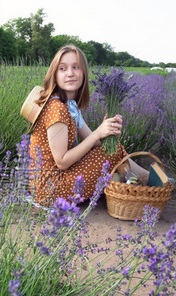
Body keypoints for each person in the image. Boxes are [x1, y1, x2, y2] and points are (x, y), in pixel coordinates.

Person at [26, 44, 148, 207]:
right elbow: (62, 161)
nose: (70, 73)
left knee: (112, 148)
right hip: (51, 189)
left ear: (84, 73)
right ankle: (147, 181)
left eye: (76, 67)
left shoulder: (70, 106)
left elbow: (94, 142)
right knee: (114, 152)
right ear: (54, 75)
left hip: (52, 183)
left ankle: (142, 180)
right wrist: (97, 134)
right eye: (63, 68)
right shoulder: (57, 108)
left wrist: (107, 131)